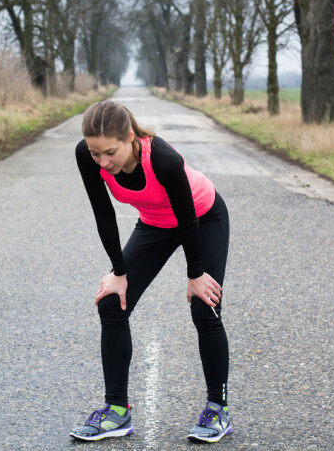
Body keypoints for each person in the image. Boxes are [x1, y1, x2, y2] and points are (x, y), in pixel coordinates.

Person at [69, 100, 232, 443]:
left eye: (110, 152)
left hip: (202, 217)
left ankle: (218, 411)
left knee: (205, 305)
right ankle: (116, 412)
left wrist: (196, 274)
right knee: (112, 303)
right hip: (155, 223)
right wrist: (119, 271)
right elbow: (104, 214)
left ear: (130, 137)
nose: (103, 162)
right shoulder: (88, 155)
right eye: (96, 153)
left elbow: (187, 219)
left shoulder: (163, 159)